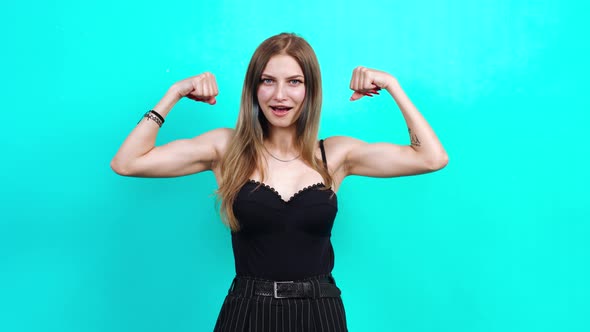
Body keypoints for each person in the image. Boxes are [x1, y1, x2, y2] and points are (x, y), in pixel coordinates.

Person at [111, 32, 448, 332]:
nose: (279, 95)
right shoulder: (226, 149)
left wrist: (392, 86)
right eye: (267, 80)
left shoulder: (335, 154)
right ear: (253, 88)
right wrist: (174, 93)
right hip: (248, 313)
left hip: (321, 314)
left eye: (294, 82)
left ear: (310, 89)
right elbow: (127, 162)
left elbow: (431, 157)